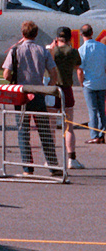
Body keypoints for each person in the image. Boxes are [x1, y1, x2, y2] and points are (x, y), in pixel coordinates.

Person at [2, 21, 59, 174]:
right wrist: (47, 88)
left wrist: (13, 80)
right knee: (44, 131)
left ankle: (28, 168)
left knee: (23, 132)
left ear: (23, 34)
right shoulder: (42, 50)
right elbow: (54, 73)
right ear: (36, 34)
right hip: (38, 92)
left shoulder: (15, 51)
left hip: (21, 93)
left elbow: (6, 74)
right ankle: (53, 166)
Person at [48, 27, 83, 169]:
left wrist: (52, 49)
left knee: (50, 128)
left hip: (53, 89)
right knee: (69, 127)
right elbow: (77, 66)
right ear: (69, 39)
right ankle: (71, 158)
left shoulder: (52, 51)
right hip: (67, 89)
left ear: (57, 39)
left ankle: (51, 159)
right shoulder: (73, 52)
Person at [79, 24, 106, 146]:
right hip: (101, 82)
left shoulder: (81, 50)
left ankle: (94, 135)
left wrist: (81, 83)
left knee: (92, 111)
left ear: (81, 34)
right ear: (92, 33)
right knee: (101, 110)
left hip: (89, 83)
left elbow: (80, 70)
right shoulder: (102, 47)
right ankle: (101, 134)